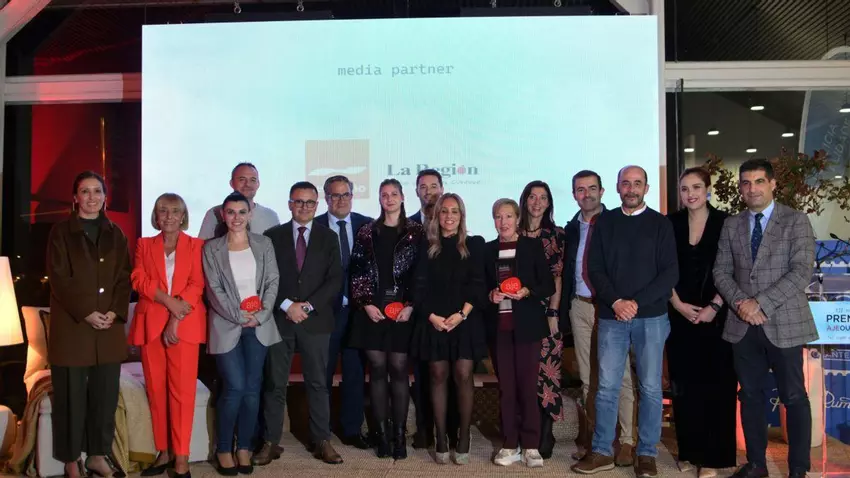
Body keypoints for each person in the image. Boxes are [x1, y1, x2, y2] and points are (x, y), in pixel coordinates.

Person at [713, 159, 817, 478]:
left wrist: (759, 303)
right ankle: (757, 464)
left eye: (759, 181)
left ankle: (798, 469)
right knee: (750, 396)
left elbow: (801, 272)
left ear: (772, 184)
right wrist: (742, 304)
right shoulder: (732, 225)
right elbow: (721, 271)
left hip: (784, 323)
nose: (752, 188)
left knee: (794, 397)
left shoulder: (796, 220)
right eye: (746, 182)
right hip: (742, 325)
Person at [572, 165, 678, 478]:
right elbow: (594, 269)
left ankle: (646, 454)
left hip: (651, 318)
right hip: (611, 315)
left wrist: (636, 303)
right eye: (626, 184)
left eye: (637, 183)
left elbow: (670, 272)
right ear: (618, 188)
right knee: (606, 387)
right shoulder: (604, 222)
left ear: (646, 188)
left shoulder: (660, 224)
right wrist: (617, 302)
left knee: (650, 388)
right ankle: (602, 451)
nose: (631, 189)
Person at [46, 170, 131, 478]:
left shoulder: (116, 233)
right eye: (85, 191)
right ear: (75, 197)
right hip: (73, 328)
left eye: (97, 191)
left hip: (108, 329)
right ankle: (71, 460)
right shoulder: (60, 232)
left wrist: (114, 312)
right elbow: (59, 279)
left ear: (105, 197)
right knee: (70, 399)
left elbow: (124, 277)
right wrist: (86, 311)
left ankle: (97, 456)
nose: (92, 197)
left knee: (104, 398)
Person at [257, 182, 344, 465]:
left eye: (309, 202)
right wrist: (287, 305)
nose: (304, 207)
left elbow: (335, 279)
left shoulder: (329, 237)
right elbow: (266, 278)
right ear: (289, 204)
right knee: (274, 383)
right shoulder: (272, 236)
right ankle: (270, 442)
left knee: (318, 383)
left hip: (315, 321)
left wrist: (306, 306)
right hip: (280, 320)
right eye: (299, 201)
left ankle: (322, 440)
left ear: (317, 205)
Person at [202, 192, 281, 475]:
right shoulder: (211, 248)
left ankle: (244, 447)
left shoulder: (264, 244)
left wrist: (260, 315)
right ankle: (224, 448)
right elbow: (213, 289)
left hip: (259, 325)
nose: (236, 218)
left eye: (242, 212)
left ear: (250, 214)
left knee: (251, 389)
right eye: (231, 212)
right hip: (226, 325)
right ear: (223, 215)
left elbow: (272, 281)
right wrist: (238, 315)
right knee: (234, 386)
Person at [129, 193, 207, 478]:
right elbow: (138, 279)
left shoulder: (196, 245)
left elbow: (196, 284)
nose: (169, 216)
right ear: (156, 215)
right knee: (156, 391)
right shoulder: (144, 244)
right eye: (163, 211)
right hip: (151, 325)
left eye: (175, 211)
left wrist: (175, 316)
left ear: (183, 216)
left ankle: (182, 457)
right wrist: (167, 301)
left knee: (182, 394)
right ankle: (163, 451)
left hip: (184, 326)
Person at [562, 170, 636, 465]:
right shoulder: (570, 229)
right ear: (574, 195)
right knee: (588, 378)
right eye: (581, 190)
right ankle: (598, 442)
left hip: (612, 307)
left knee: (622, 376)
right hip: (580, 306)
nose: (587, 194)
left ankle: (628, 441)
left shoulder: (618, 222)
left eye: (592, 188)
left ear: (603, 191)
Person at [348, 179, 424, 460]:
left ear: (403, 197)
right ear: (379, 199)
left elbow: (421, 273)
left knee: (399, 369)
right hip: (373, 312)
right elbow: (357, 271)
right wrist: (366, 304)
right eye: (384, 195)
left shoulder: (416, 232)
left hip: (403, 312)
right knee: (378, 370)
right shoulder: (367, 231)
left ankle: (400, 436)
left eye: (394, 194)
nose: (389, 199)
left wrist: (411, 305)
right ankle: (381, 435)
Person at [667, 168, 736, 478]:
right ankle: (690, 452)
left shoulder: (726, 223)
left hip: (718, 317)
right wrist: (677, 304)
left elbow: (736, 268)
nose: (690, 193)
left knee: (717, 385)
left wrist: (715, 306)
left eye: (696, 187)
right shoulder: (671, 223)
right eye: (684, 188)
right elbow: (662, 267)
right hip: (680, 315)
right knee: (684, 386)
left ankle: (714, 458)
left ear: (708, 189)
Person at [411, 193, 487, 465]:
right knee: (437, 374)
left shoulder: (474, 245)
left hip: (464, 320)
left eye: (455, 211)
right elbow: (418, 287)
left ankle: (464, 436)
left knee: (463, 374)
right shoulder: (426, 247)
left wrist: (461, 315)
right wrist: (432, 317)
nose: (449, 216)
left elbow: (478, 284)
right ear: (436, 216)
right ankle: (441, 437)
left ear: (461, 215)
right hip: (434, 320)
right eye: (444, 211)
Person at [485, 198, 555, 468]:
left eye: (508, 216)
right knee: (507, 388)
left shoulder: (531, 246)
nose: (503, 222)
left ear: (517, 219)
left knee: (527, 386)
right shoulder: (488, 250)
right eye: (498, 217)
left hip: (527, 327)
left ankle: (531, 445)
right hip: (500, 329)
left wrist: (527, 291)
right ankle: (509, 444)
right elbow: (480, 287)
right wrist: (490, 295)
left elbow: (547, 285)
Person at [314, 175, 373, 449]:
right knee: (322, 374)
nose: (341, 200)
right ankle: (321, 432)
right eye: (335, 195)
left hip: (358, 313)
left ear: (352, 196)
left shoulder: (367, 225)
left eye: (345, 194)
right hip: (325, 313)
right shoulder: (314, 227)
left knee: (354, 372)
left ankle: (351, 429)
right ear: (326, 198)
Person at [407, 168, 457, 450]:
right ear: (417, 192)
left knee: (452, 374)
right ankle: (425, 428)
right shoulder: (409, 226)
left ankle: (452, 429)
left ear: (442, 188)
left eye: (433, 186)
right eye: (423, 187)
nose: (429, 191)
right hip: (420, 312)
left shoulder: (454, 222)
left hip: (452, 315)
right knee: (423, 375)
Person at [517, 180, 567, 459]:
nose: (537, 202)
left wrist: (552, 312)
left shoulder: (556, 235)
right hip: (518, 313)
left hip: (546, 312)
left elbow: (557, 277)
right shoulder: (513, 232)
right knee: (523, 373)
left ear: (549, 203)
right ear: (524, 200)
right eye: (532, 197)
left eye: (543, 198)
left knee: (547, 373)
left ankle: (546, 432)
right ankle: (525, 431)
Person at [198, 163, 280, 240]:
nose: (247, 184)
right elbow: (202, 246)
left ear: (258, 184)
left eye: (253, 180)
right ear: (231, 183)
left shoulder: (271, 216)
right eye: (242, 179)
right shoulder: (214, 213)